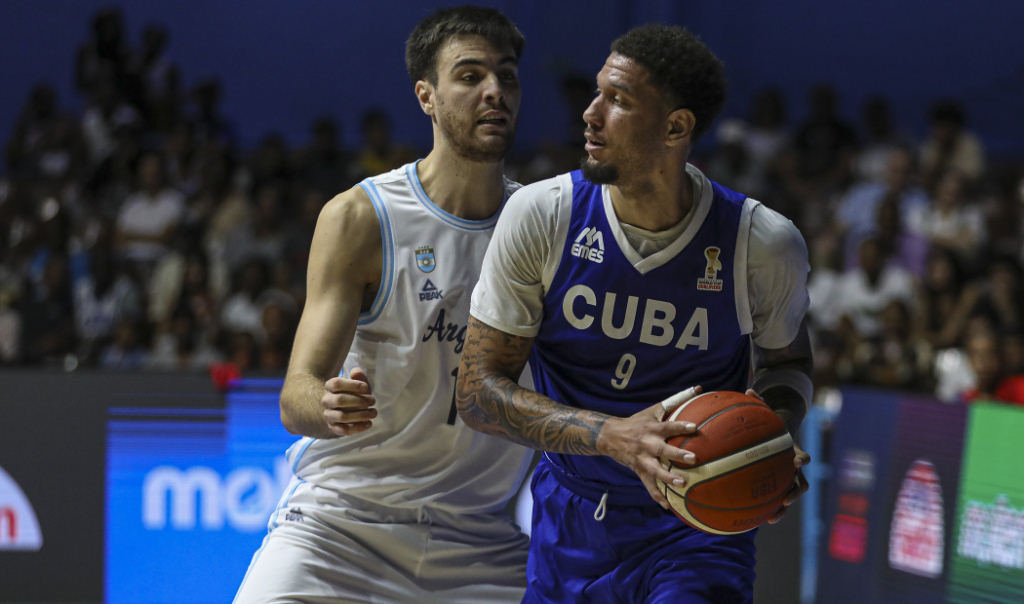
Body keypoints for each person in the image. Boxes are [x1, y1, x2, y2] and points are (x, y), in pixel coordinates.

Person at [456, 24, 812, 602]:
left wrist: (766, 440)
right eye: (596, 93)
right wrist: (612, 436)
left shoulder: (762, 243)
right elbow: (476, 392)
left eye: (618, 100)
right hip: (569, 514)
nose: (590, 114)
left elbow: (788, 363)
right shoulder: (542, 214)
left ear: (676, 127)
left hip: (696, 525)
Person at [232, 7, 533, 603]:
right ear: (426, 97)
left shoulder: (541, 226)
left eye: (506, 76)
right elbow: (296, 395)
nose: (494, 90)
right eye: (470, 76)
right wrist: (326, 404)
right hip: (339, 528)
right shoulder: (361, 216)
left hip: (481, 544)